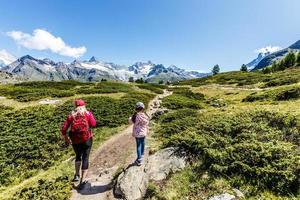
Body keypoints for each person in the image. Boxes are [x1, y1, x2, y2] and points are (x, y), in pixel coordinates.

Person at [61, 99, 96, 187]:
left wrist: (66, 138)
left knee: (78, 156)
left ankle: (76, 175)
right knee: (85, 157)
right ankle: (82, 181)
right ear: (84, 106)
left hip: (75, 140)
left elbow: (64, 129)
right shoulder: (87, 113)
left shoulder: (71, 115)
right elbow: (94, 124)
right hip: (87, 139)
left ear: (75, 106)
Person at [129, 102, 150, 166]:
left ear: (136, 108)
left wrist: (131, 117)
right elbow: (147, 122)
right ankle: (142, 153)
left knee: (138, 145)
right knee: (143, 142)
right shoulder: (144, 115)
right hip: (143, 132)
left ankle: (139, 159)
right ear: (143, 108)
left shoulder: (134, 116)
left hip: (137, 133)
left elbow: (130, 121)